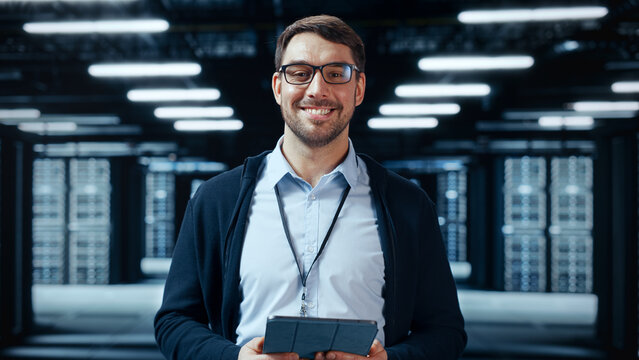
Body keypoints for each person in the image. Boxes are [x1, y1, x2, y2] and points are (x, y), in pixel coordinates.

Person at [154, 14, 466, 360]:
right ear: (278, 87)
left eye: (336, 73)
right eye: (300, 73)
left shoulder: (408, 205)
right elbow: (175, 321)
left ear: (358, 88)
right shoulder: (216, 201)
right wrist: (236, 359)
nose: (317, 90)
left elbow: (445, 331)